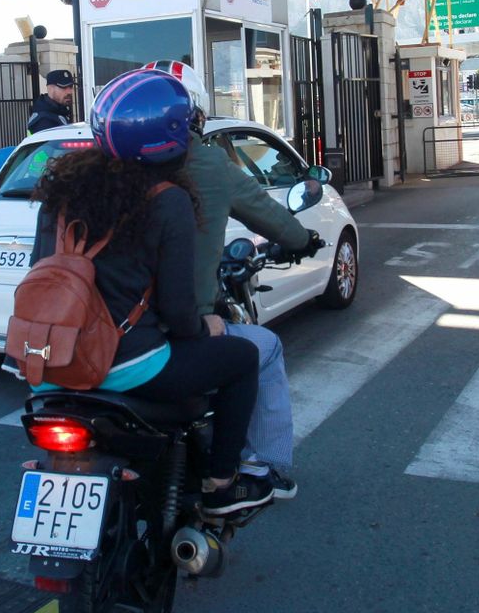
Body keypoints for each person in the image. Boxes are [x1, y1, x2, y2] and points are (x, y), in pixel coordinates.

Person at [31, 70, 273, 514]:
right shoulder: (168, 199)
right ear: (174, 136)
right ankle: (221, 482)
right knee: (243, 358)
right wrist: (205, 325)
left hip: (49, 361)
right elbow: (180, 312)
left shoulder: (60, 194)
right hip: (127, 365)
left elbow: (40, 271)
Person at [139, 61, 322, 499]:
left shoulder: (104, 172)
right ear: (194, 114)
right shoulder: (205, 165)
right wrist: (303, 240)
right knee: (261, 349)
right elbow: (268, 214)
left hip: (88, 335)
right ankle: (258, 468)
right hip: (159, 336)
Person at [27, 69, 75, 133]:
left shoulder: (58, 111)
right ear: (50, 89)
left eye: (71, 87)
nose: (69, 92)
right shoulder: (44, 120)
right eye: (63, 87)